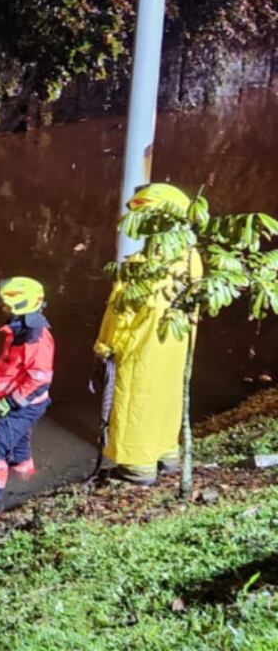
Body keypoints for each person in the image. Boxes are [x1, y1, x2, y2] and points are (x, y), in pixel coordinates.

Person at [94, 183, 202, 485]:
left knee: (135, 403)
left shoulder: (140, 269)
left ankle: (137, 467)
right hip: (176, 346)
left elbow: (120, 315)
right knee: (166, 400)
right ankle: (167, 455)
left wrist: (105, 346)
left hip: (139, 350)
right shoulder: (191, 259)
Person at [0, 276, 55, 505]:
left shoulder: (35, 340)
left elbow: (39, 380)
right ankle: (26, 478)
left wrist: (10, 402)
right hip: (20, 402)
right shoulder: (21, 330)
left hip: (24, 405)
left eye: (6, 304)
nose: (2, 307)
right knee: (19, 441)